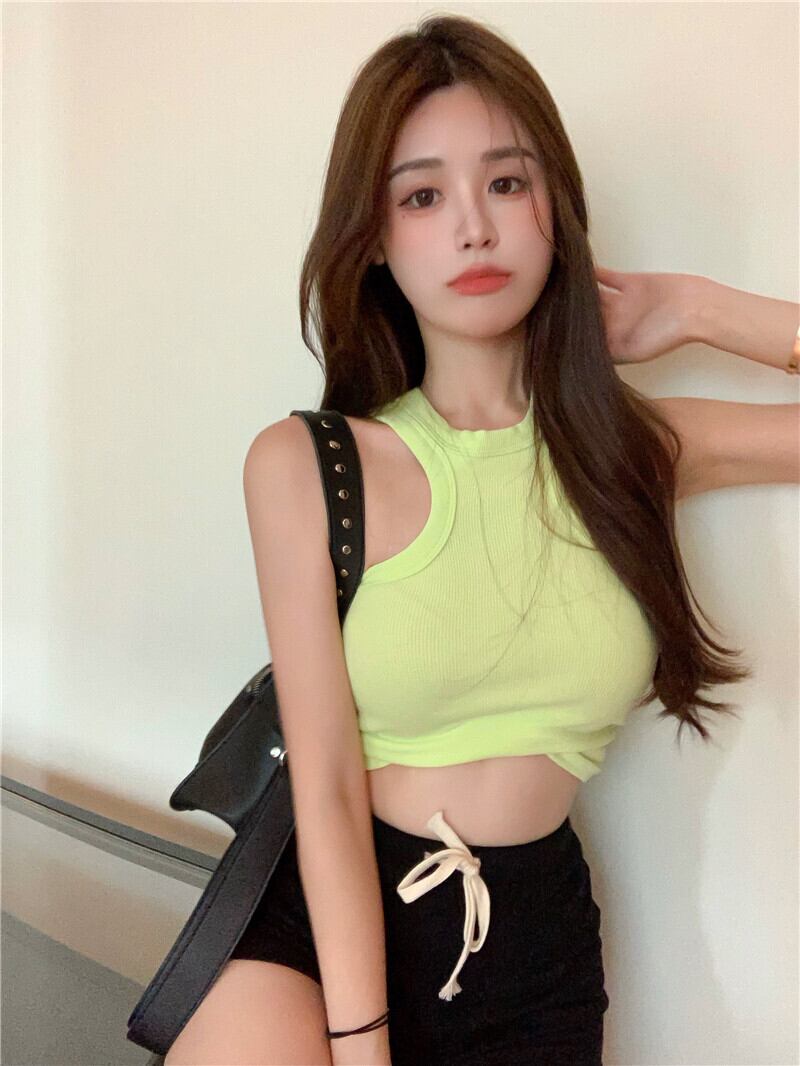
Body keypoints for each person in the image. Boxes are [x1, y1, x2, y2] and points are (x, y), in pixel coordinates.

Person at [163, 13, 799, 1066]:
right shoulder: (310, 465)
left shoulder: (635, 449)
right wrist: (362, 1046)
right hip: (322, 931)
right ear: (374, 237)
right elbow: (325, 781)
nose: (473, 227)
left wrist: (698, 308)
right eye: (422, 195)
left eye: (506, 183)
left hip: (532, 947)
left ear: (556, 212)